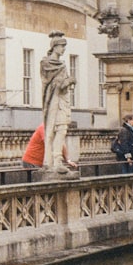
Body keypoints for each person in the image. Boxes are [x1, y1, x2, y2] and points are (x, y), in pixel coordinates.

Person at [40, 31, 77, 174]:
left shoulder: (62, 64)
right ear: (54, 47)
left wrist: (67, 82)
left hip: (62, 100)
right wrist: (69, 80)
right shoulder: (46, 63)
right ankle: (54, 161)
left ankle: (53, 161)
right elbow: (56, 85)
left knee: (61, 131)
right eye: (62, 46)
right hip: (54, 101)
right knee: (56, 131)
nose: (63, 49)